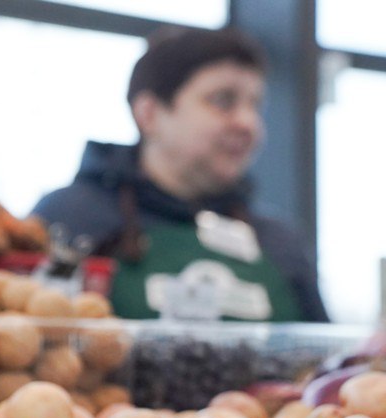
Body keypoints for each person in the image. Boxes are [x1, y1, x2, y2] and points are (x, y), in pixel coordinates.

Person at [32, 27, 328, 322]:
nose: (247, 123)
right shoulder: (70, 220)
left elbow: (328, 364)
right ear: (149, 114)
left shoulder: (281, 244)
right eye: (223, 100)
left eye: (255, 105)